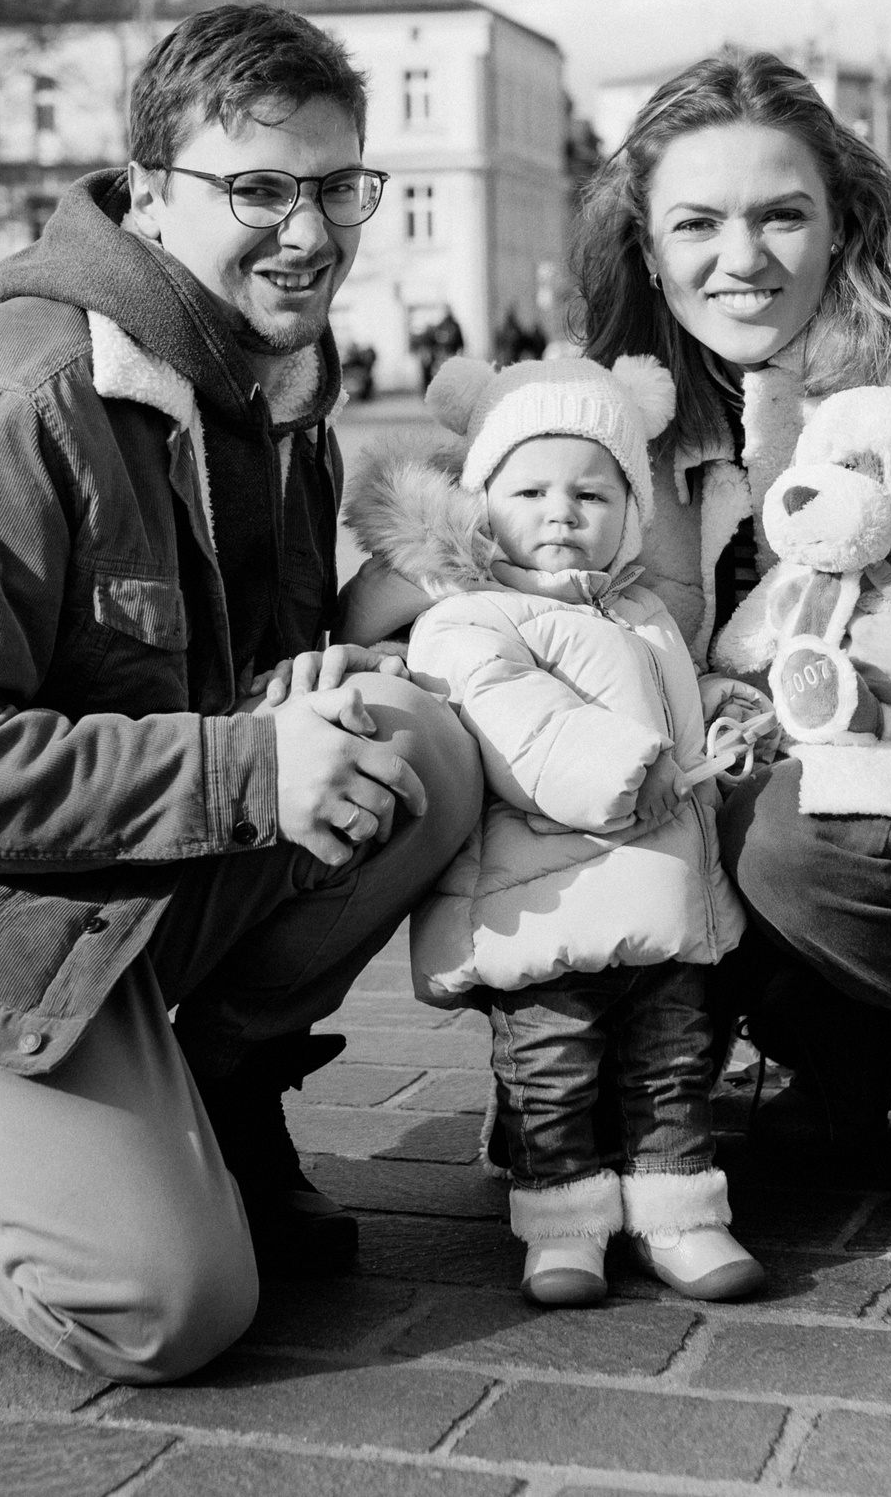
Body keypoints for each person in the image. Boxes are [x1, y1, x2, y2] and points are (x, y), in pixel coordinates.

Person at [0, 4, 482, 1383]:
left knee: (418, 748)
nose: (311, 231)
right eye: (257, 189)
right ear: (146, 192)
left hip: (83, 864)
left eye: (338, 186)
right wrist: (251, 769)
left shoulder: (276, 380)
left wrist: (323, 684)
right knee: (169, 1308)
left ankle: (215, 1094)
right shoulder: (3, 403)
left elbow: (249, 682)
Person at [358, 50, 891, 1248]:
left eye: (781, 215)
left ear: (844, 222)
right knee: (540, 753)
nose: (741, 256)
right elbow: (499, 605)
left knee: (780, 820)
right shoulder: (628, 431)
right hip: (794, 857)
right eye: (698, 223)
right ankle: (784, 1062)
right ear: (648, 247)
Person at [341, 353, 768, 1308]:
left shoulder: (643, 609)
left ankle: (683, 1212)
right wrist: (627, 765)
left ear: (631, 510)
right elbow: (516, 721)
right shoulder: (470, 616)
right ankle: (563, 1222)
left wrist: (721, 711)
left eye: (593, 491)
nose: (561, 511)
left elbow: (668, 704)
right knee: (552, 1072)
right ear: (483, 502)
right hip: (542, 910)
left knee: (673, 1064)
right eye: (529, 489)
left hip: (660, 903)